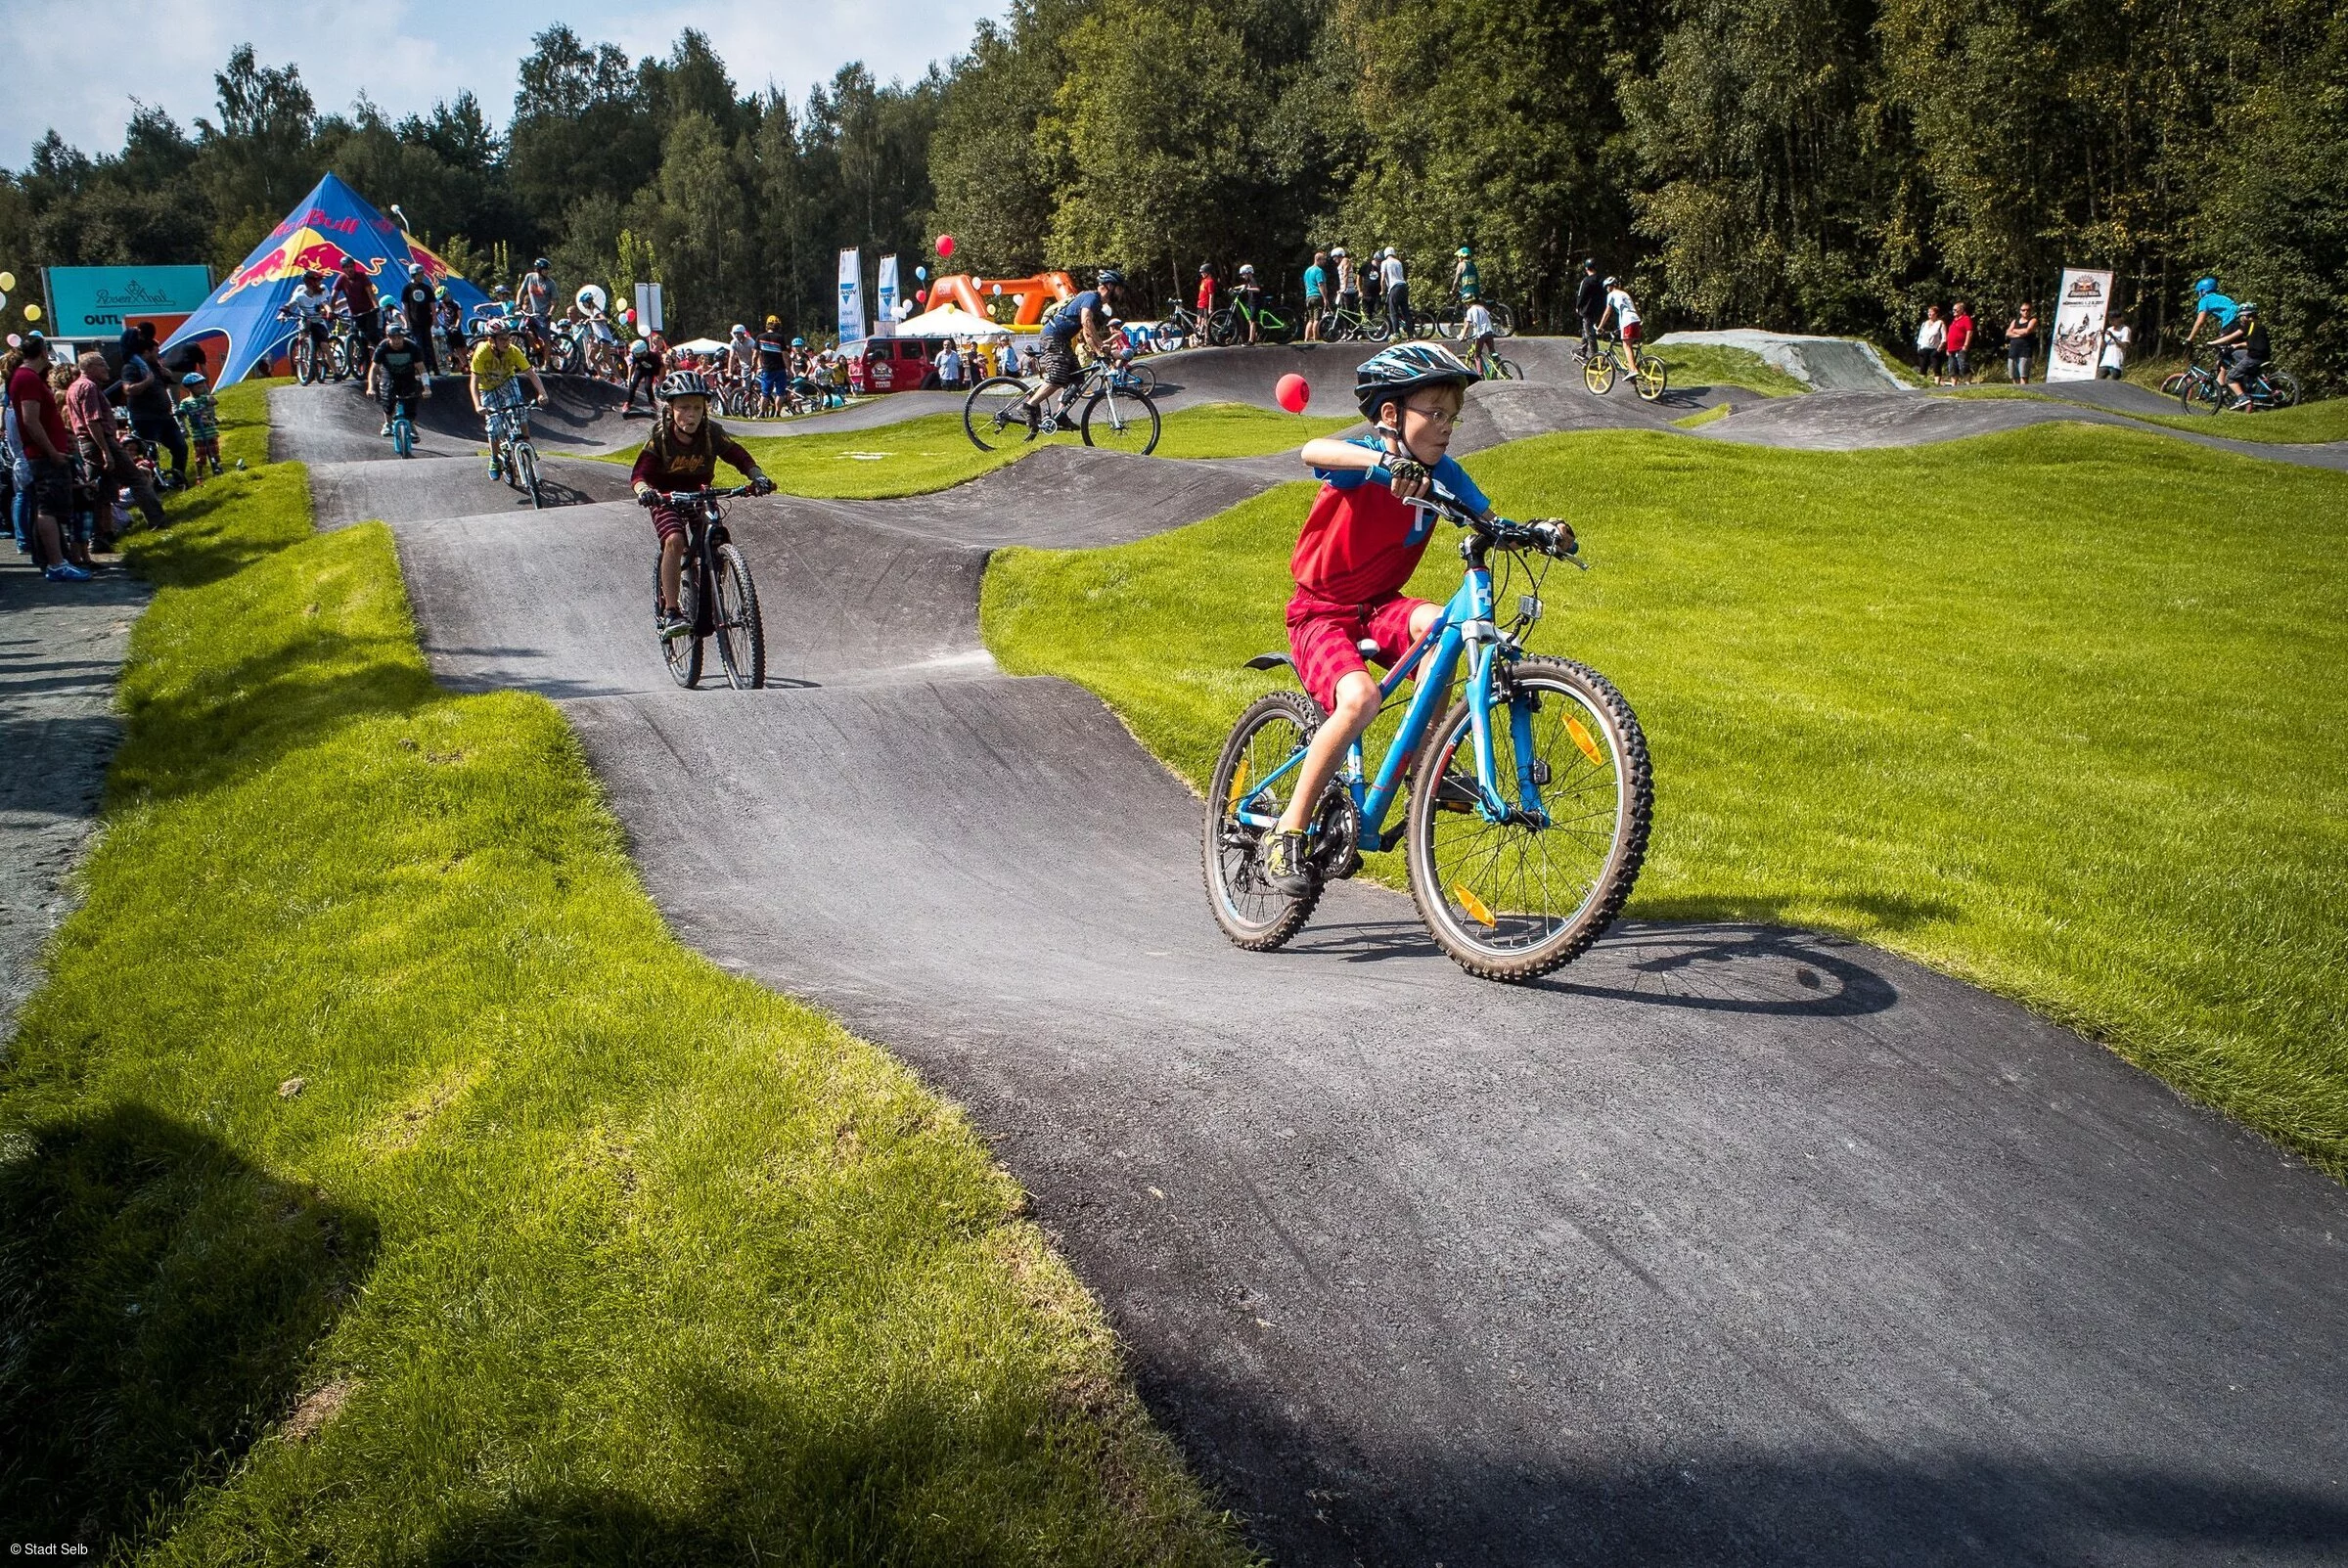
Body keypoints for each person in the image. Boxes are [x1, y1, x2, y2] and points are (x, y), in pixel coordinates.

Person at [1257, 342, 1567, 896]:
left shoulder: (1443, 472)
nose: (1448, 426)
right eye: (1436, 413)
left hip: (1380, 604)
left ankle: (1431, 764)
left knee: (1441, 626)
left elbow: (1488, 518)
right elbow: (1313, 448)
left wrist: (1534, 530)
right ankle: (1288, 831)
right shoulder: (1367, 460)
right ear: (1392, 416)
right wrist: (1382, 461)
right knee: (1361, 701)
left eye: (1454, 416)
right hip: (1320, 612)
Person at [630, 369, 777, 641]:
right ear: (670, 409)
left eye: (697, 408)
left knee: (716, 536)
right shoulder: (661, 437)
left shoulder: (711, 433)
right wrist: (645, 491)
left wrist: (757, 476)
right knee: (674, 541)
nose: (691, 414)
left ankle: (713, 581)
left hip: (700, 493)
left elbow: (738, 456)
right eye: (684, 407)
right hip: (666, 497)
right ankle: (672, 611)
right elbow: (639, 475)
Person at [7, 335, 90, 580]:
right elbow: (30, 419)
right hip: (43, 455)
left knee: (49, 507)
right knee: (48, 507)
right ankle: (56, 563)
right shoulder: (28, 379)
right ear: (43, 352)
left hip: (45, 452)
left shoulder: (27, 378)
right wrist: (52, 451)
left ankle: (53, 559)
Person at [65, 350, 161, 540]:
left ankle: (100, 535)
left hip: (87, 443)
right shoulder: (89, 387)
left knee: (99, 491)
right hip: (99, 441)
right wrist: (106, 451)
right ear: (89, 367)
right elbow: (93, 421)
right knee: (136, 478)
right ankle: (157, 519)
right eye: (102, 364)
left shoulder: (74, 387)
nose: (107, 368)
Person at [1018, 268, 1126, 424]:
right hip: (1053, 336)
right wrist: (1099, 348)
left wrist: (1100, 348)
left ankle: (1060, 415)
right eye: (1120, 288)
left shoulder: (1094, 302)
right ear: (1110, 286)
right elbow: (1086, 322)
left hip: (1062, 340)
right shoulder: (1092, 297)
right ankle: (1028, 406)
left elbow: (1087, 333)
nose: (1121, 293)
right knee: (1057, 377)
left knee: (1078, 378)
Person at [468, 315, 545, 478]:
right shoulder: (481, 352)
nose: (506, 342)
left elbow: (531, 374)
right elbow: (474, 382)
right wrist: (477, 405)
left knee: (521, 412)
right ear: (491, 340)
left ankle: (527, 443)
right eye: (502, 339)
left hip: (507, 382)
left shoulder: (513, 351)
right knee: (494, 426)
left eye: (507, 338)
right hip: (487, 388)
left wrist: (542, 393)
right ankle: (494, 459)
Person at [117, 326, 187, 486]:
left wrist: (168, 377)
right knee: (150, 453)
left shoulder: (155, 367)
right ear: (146, 352)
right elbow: (128, 390)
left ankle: (177, 480)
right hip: (145, 419)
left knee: (180, 447)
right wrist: (146, 382)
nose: (158, 355)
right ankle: (154, 483)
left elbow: (165, 386)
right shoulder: (131, 367)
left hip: (165, 417)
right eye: (155, 352)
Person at [368, 314, 430, 436]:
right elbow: (374, 369)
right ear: (388, 337)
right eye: (393, 338)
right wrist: (370, 387)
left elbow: (422, 369)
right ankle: (388, 424)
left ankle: (411, 425)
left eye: (399, 338)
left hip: (408, 375)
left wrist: (427, 388)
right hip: (389, 374)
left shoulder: (412, 347)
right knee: (387, 399)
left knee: (411, 400)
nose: (396, 341)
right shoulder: (383, 347)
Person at [2213, 301, 2271, 408]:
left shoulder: (2248, 326)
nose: (2240, 319)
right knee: (2236, 354)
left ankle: (2242, 398)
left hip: (2254, 357)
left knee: (2230, 378)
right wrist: (2238, 345)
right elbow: (2253, 342)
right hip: (2264, 355)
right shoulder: (2258, 325)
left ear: (2246, 316)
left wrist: (2213, 343)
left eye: (2241, 316)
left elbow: (2231, 336)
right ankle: (2246, 380)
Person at [279, 270, 336, 372]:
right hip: (306, 320)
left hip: (318, 321)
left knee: (325, 346)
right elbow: (289, 305)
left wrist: (329, 312)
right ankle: (303, 360)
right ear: (311, 282)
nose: (320, 282)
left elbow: (325, 304)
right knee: (303, 332)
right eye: (318, 280)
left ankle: (336, 372)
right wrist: (283, 313)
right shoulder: (300, 295)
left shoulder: (320, 293)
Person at [176, 373, 222, 481]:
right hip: (198, 435)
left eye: (203, 386)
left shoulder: (204, 398)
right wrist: (181, 413)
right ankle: (199, 476)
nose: (202, 388)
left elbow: (214, 401)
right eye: (199, 387)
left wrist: (210, 400)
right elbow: (182, 412)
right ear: (190, 388)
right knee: (200, 456)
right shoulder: (186, 402)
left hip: (210, 431)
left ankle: (218, 469)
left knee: (215, 452)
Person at [396, 264, 438, 374]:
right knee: (418, 346)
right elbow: (405, 306)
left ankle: (434, 367)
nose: (421, 276)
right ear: (413, 275)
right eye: (419, 274)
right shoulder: (407, 288)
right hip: (415, 322)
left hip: (427, 321)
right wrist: (407, 321)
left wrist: (435, 318)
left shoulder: (427, 288)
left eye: (422, 274)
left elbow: (432, 304)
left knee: (430, 345)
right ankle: (422, 368)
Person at [335, 256, 383, 351]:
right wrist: (331, 310)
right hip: (355, 314)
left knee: (371, 335)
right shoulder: (341, 278)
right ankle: (361, 360)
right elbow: (334, 295)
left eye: (351, 266)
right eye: (347, 267)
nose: (350, 269)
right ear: (343, 269)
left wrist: (376, 306)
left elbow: (370, 293)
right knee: (354, 334)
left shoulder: (362, 276)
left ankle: (383, 353)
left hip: (369, 312)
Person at [2186, 276, 2239, 353]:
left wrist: (2190, 338)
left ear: (2203, 291)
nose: (2198, 295)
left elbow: (2200, 321)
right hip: (2240, 321)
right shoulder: (2223, 297)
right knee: (2234, 348)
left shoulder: (2205, 300)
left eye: (2198, 292)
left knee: (2222, 352)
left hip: (2230, 323)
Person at [517, 257, 556, 360]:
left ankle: (546, 364)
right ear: (538, 269)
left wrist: (550, 313)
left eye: (548, 270)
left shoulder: (550, 284)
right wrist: (518, 303)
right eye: (545, 269)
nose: (547, 272)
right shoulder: (530, 277)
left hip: (543, 315)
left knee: (545, 338)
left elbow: (555, 301)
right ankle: (536, 348)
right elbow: (521, 291)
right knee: (522, 329)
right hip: (531, 313)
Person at [1597, 276, 1643, 361]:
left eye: (1607, 286)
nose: (1607, 289)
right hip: (1635, 319)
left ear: (1611, 286)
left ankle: (1632, 369)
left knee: (1626, 345)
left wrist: (1600, 327)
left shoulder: (1611, 295)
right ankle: (1632, 367)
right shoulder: (1625, 294)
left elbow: (1607, 313)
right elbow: (1634, 307)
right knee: (1630, 344)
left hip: (1627, 320)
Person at [754, 317, 790, 416]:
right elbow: (785, 356)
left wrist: (754, 366)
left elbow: (755, 355)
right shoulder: (780, 338)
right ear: (778, 326)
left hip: (767, 369)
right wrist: (789, 369)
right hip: (780, 368)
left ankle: (762, 413)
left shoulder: (760, 337)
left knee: (765, 393)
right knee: (780, 393)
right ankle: (777, 413)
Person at [623, 334, 664, 415]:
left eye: (638, 354)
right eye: (636, 354)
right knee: (633, 385)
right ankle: (628, 402)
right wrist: (629, 378)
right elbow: (632, 366)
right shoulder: (636, 355)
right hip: (640, 369)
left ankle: (652, 402)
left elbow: (662, 368)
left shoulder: (654, 356)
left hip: (650, 371)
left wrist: (660, 380)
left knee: (648, 387)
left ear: (644, 351)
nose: (636, 356)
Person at [1574, 259, 1605, 359]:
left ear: (1586, 268)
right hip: (1598, 310)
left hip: (1587, 310)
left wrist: (1578, 306)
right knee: (1586, 329)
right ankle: (1582, 350)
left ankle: (1595, 357)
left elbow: (1581, 295)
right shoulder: (1601, 280)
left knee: (1590, 333)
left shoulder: (1586, 281)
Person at [1461, 296, 1498, 376]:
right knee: (1492, 352)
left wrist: (1462, 336)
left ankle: (1480, 374)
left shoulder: (1470, 311)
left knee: (1477, 355)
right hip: (1489, 332)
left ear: (1468, 303)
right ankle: (1501, 367)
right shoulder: (1482, 308)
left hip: (1480, 334)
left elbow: (1467, 325)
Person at [2005, 301, 2038, 383]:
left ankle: (2025, 392)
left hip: (2025, 351)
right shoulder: (2015, 321)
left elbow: (2027, 331)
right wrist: (2019, 334)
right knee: (2013, 375)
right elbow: (2008, 333)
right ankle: (2016, 393)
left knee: (2023, 375)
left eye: (2028, 310)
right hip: (2013, 351)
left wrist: (2014, 330)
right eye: (2023, 310)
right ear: (2020, 311)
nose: (2026, 312)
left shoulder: (2033, 320)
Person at [1379, 247, 1409, 339]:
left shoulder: (1385, 263)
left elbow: (1383, 278)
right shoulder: (1398, 262)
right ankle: (1410, 335)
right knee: (1406, 312)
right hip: (1403, 286)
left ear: (1385, 254)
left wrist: (1382, 291)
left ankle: (1396, 334)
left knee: (1393, 312)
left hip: (1394, 287)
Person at [1944, 299, 1973, 384]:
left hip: (1961, 347)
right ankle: (1954, 385)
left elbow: (1969, 332)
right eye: (1953, 310)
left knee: (1963, 365)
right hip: (1951, 348)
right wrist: (1947, 348)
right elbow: (1950, 335)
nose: (1954, 311)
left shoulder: (1966, 319)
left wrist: (1966, 344)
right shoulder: (1953, 321)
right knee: (1952, 367)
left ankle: (1968, 382)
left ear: (1961, 310)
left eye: (1955, 309)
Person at [1302, 249, 1330, 341]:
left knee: (1310, 319)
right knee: (1317, 318)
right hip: (1317, 296)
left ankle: (1306, 337)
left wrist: (1307, 294)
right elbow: (1320, 284)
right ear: (1318, 260)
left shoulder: (1307, 270)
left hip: (1309, 296)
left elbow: (1306, 284)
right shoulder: (1318, 271)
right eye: (1323, 260)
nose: (1324, 262)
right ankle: (1315, 337)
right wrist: (1325, 298)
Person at [1915, 304, 1947, 381]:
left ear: (1936, 314)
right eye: (1928, 312)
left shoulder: (1940, 323)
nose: (1929, 313)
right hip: (1924, 348)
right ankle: (1923, 384)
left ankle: (1937, 384)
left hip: (1934, 349)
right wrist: (1919, 348)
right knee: (1923, 367)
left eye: (1931, 312)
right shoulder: (1924, 323)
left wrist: (1939, 348)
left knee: (1936, 367)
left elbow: (1944, 337)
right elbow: (1920, 336)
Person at [1233, 264, 1263, 343]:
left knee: (1252, 321)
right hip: (1251, 302)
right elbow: (1244, 285)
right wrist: (1235, 288)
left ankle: (1251, 341)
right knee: (1250, 321)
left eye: (1243, 274)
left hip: (1255, 303)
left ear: (1249, 273)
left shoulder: (1253, 280)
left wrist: (1248, 288)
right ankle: (1253, 338)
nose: (1242, 276)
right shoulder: (1249, 281)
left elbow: (1257, 289)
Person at [2099, 315, 2131, 381]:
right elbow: (2103, 347)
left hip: (2116, 363)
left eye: (2113, 320)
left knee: (2113, 385)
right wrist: (2102, 337)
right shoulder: (2109, 329)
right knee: (2097, 381)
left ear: (2119, 319)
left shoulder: (2125, 329)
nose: (2111, 322)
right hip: (2105, 362)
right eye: (2110, 320)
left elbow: (2125, 346)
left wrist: (2113, 336)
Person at [1332, 246, 1359, 323]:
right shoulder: (1341, 263)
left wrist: (1344, 287)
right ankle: (1346, 330)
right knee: (1343, 311)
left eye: (1335, 256)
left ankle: (1354, 330)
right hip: (1344, 291)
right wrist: (1341, 289)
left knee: (1349, 311)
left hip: (1349, 291)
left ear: (1340, 255)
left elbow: (1345, 274)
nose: (1334, 259)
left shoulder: (1345, 260)